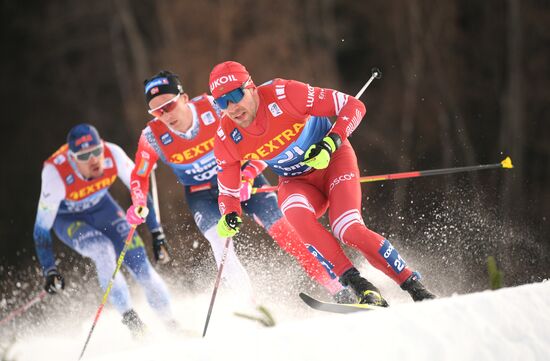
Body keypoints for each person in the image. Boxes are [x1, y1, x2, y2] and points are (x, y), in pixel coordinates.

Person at [126, 70, 352, 318]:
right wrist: (138, 202)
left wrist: (248, 174)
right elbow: (139, 174)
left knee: (285, 232)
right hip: (202, 195)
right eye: (157, 111)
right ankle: (254, 309)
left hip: (244, 179)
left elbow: (268, 143)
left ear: (184, 98)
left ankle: (339, 288)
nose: (166, 115)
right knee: (220, 246)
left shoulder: (217, 108)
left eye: (169, 106)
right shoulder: (152, 136)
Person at [210, 61, 436, 306]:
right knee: (292, 212)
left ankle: (415, 287)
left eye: (235, 95)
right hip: (295, 181)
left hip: (333, 164)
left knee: (347, 229)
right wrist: (230, 214)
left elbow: (354, 105)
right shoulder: (226, 137)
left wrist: (331, 143)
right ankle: (361, 287)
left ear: (251, 87)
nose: (232, 107)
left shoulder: (285, 94)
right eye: (222, 102)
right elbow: (229, 192)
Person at [33, 123, 176, 336]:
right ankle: (132, 321)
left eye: (96, 151)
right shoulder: (55, 173)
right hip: (69, 219)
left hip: (103, 209)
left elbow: (140, 187)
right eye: (84, 156)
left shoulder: (113, 154)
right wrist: (50, 270)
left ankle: (172, 324)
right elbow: (41, 229)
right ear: (72, 159)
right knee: (102, 250)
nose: (93, 159)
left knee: (141, 265)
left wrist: (157, 233)